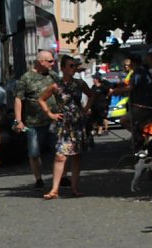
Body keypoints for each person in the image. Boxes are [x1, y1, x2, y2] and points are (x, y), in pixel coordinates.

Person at [39, 54, 93, 199]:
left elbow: (92, 95)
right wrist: (50, 114)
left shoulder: (79, 84)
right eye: (70, 66)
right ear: (62, 68)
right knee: (60, 156)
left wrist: (86, 109)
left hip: (77, 122)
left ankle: (74, 188)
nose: (73, 68)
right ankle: (54, 190)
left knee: (76, 156)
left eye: (75, 65)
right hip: (63, 123)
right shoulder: (56, 86)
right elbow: (42, 99)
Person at [14, 50, 61, 190]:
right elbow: (18, 99)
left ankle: (60, 177)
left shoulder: (53, 76)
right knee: (34, 153)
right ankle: (38, 179)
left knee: (59, 151)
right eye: (50, 61)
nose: (53, 64)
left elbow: (61, 94)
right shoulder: (26, 78)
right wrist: (18, 120)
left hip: (54, 119)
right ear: (41, 62)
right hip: (34, 122)